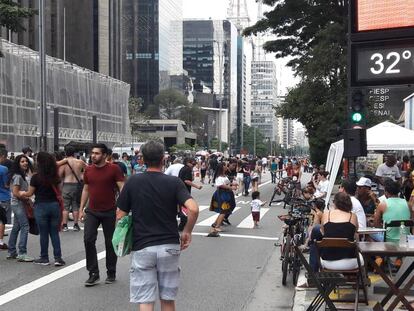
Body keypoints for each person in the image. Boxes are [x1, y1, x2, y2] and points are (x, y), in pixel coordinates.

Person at [117, 141, 199, 311]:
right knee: (167, 299)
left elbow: (120, 215)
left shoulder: (133, 182)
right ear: (163, 159)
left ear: (142, 159)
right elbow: (193, 208)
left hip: (142, 246)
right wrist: (187, 232)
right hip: (169, 245)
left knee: (146, 300)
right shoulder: (174, 183)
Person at [79, 144, 124, 286]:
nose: (93, 156)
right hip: (92, 211)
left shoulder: (114, 169)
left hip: (110, 211)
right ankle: (93, 273)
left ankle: (111, 272)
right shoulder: (88, 170)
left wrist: (122, 209)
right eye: (92, 153)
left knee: (110, 242)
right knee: (88, 239)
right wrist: (81, 209)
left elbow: (122, 188)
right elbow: (86, 189)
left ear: (104, 155)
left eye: (97, 153)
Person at [20, 152, 65, 266]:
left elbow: (30, 193)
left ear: (39, 163)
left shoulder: (36, 177)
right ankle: (58, 258)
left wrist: (21, 193)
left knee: (44, 233)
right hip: (54, 205)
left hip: (41, 206)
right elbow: (60, 191)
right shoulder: (56, 176)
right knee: (54, 232)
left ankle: (44, 258)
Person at [318, 192, 360, 271]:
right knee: (362, 257)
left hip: (328, 262)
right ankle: (363, 279)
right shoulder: (353, 216)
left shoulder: (327, 215)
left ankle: (313, 273)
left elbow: (322, 232)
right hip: (350, 262)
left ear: (335, 203)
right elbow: (356, 235)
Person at [7, 155, 34, 261]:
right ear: (18, 163)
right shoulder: (18, 176)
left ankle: (11, 251)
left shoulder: (19, 175)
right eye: (22, 161)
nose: (25, 163)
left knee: (16, 227)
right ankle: (22, 252)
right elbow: (15, 192)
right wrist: (26, 196)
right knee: (25, 226)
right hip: (18, 203)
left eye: (26, 161)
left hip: (17, 203)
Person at [373, 179, 411, 243]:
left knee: (370, 234)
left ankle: (378, 252)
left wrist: (384, 226)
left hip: (388, 240)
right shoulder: (408, 204)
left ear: (386, 192)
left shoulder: (382, 204)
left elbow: (376, 225)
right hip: (405, 239)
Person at [60, 146, 86, 232]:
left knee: (65, 207)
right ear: (74, 153)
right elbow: (88, 169)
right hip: (76, 185)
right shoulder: (80, 162)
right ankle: (75, 224)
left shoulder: (64, 162)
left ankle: (65, 225)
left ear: (65, 153)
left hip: (66, 185)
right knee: (75, 205)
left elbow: (60, 175)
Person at [208, 164, 237, 235]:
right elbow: (220, 185)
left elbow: (227, 183)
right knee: (224, 210)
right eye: (225, 166)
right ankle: (217, 226)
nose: (226, 166)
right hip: (222, 194)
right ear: (222, 168)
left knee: (227, 208)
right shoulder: (219, 177)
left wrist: (232, 184)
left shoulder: (224, 175)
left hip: (227, 193)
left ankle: (215, 223)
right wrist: (231, 187)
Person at [178, 158, 202, 231]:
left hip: (181, 190)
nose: (193, 165)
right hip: (184, 191)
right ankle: (182, 225)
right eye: (193, 163)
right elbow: (187, 181)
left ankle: (182, 225)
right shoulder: (187, 169)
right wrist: (197, 186)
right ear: (188, 162)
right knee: (185, 208)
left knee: (183, 207)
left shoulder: (183, 168)